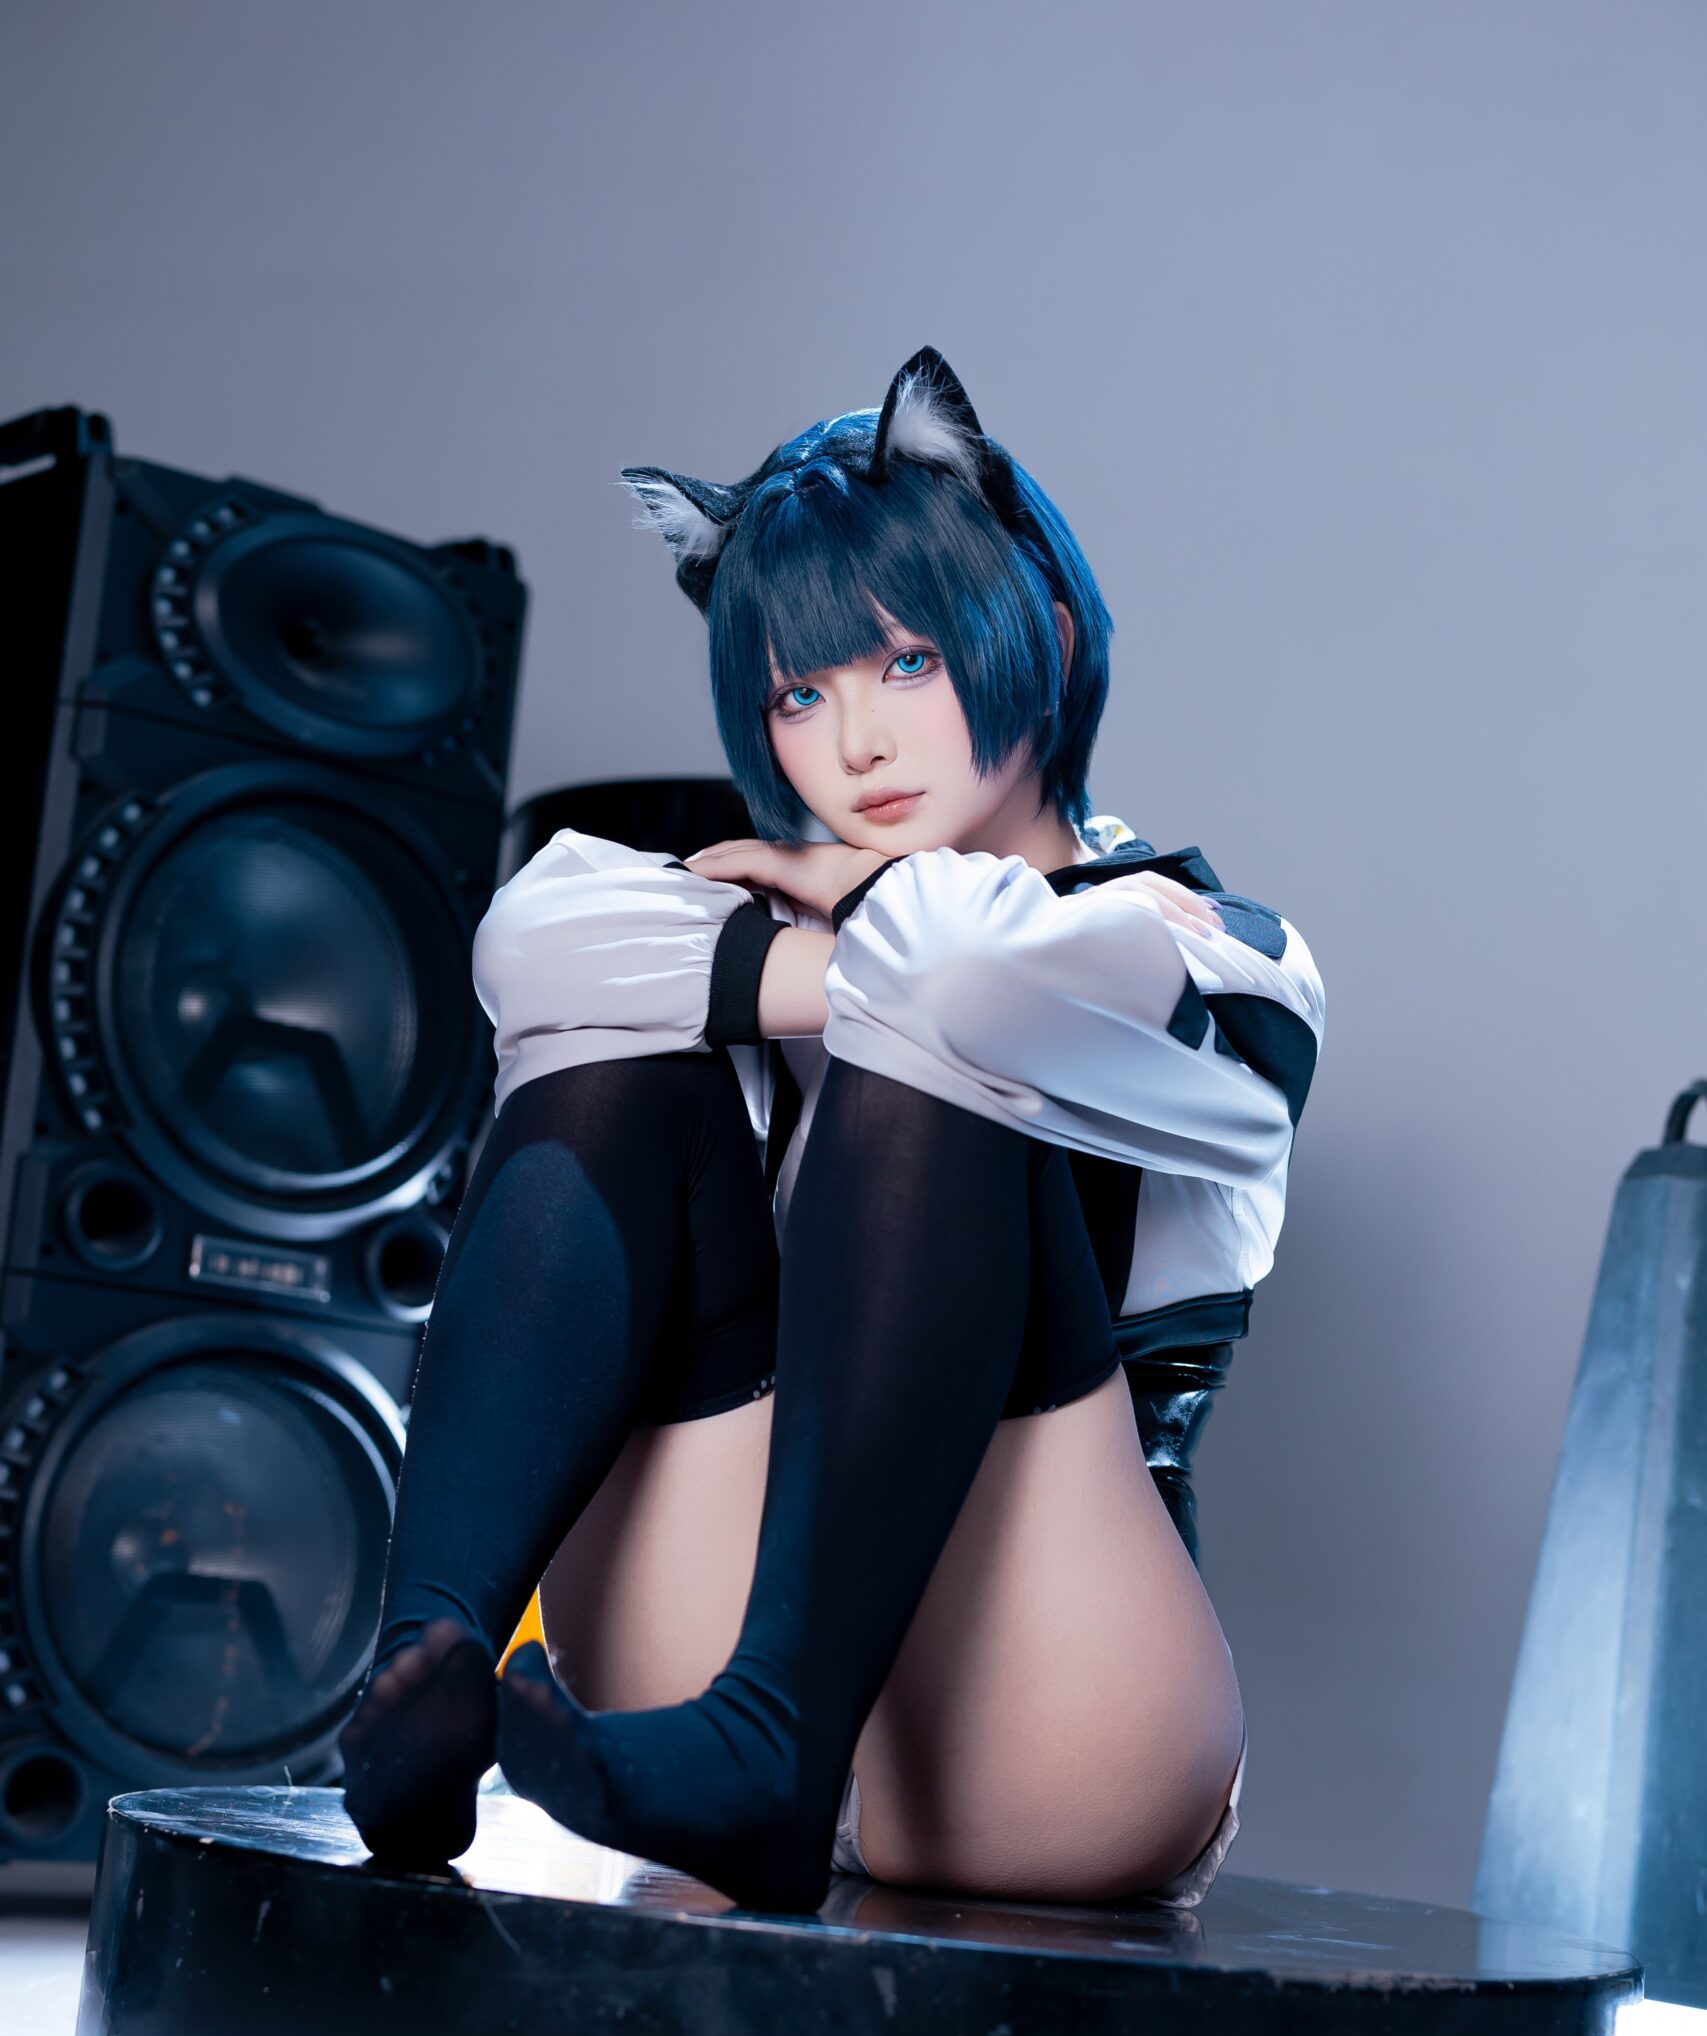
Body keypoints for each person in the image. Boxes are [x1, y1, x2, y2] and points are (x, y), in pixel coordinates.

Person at [339, 347, 1325, 1916]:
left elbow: (970, 978)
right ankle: (420, 1677)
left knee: (939, 1052)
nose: (853, 745)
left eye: (907, 664)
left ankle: (775, 1746)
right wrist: (818, 951)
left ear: (1049, 633)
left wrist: (844, 922)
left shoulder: (1216, 951)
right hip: (692, 1653)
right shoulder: (808, 922)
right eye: (800, 694)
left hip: (1047, 1723)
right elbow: (534, 941)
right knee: (618, 1072)